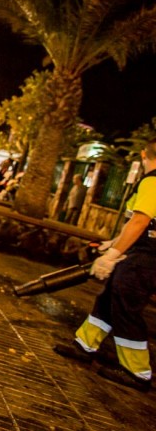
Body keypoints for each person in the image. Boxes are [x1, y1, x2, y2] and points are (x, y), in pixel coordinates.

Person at [53, 138, 156, 392]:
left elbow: (140, 222)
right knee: (110, 296)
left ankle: (138, 372)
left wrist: (113, 254)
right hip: (142, 254)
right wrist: (113, 244)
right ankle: (86, 345)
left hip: (145, 257)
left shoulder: (152, 181)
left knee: (125, 305)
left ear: (143, 155)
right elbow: (137, 226)